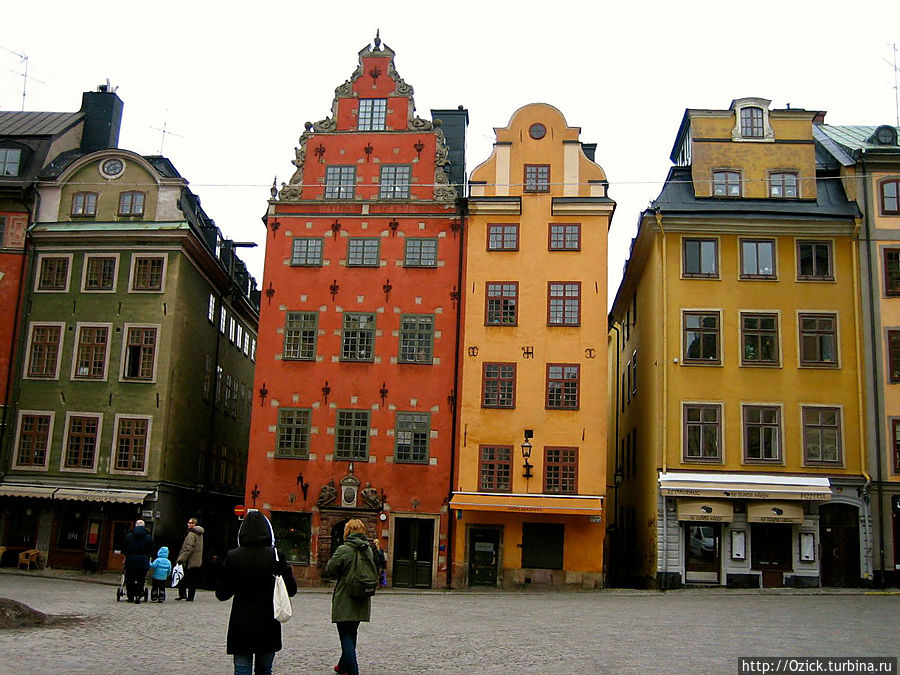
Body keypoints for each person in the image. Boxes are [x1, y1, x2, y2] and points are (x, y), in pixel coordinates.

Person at [216, 510, 297, 675]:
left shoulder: (233, 556)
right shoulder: (275, 556)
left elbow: (222, 594)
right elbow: (292, 589)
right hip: (268, 622)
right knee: (265, 670)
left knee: (241, 670)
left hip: (241, 622)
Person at [325, 519, 375, 675]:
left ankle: (353, 671)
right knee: (352, 632)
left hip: (345, 597)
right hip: (362, 596)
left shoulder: (344, 549)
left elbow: (330, 568)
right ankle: (342, 666)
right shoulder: (368, 549)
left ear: (347, 532)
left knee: (345, 635)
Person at [122, 519, 152, 604]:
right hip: (143, 561)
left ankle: (130, 596)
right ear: (144, 526)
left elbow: (124, 548)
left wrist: (126, 556)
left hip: (131, 560)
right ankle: (138, 595)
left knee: (130, 578)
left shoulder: (129, 536)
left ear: (135, 525)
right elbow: (151, 549)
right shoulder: (148, 537)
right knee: (141, 579)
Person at [176, 516, 204, 601]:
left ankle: (183, 594)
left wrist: (181, 559)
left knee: (183, 577)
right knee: (193, 579)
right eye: (188, 522)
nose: (188, 524)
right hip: (196, 561)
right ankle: (190, 596)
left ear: (195, 524)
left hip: (189, 561)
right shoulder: (200, 534)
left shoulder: (191, 534)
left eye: (191, 523)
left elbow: (189, 548)